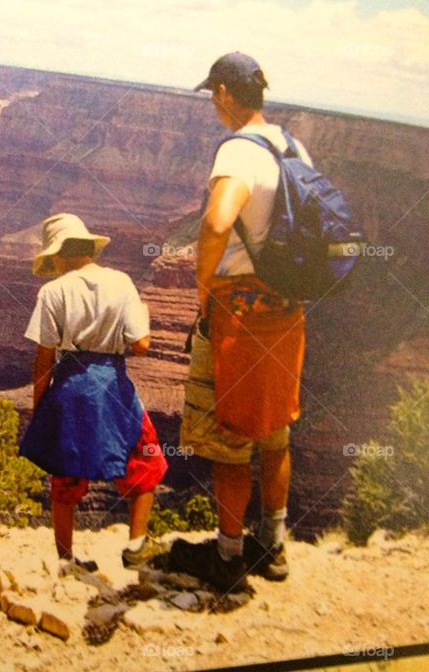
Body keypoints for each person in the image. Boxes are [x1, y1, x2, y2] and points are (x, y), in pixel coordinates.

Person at [171, 52, 310, 592]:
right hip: (285, 309)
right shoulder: (292, 145)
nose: (211, 102)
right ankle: (272, 549)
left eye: (213, 93)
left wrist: (205, 285)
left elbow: (217, 220)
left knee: (232, 438)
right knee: (275, 435)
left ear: (227, 93)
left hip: (238, 317)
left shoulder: (237, 149)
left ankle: (228, 557)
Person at [19, 212, 168, 576]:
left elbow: (44, 358)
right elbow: (142, 345)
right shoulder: (122, 282)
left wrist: (41, 409)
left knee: (64, 470)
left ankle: (66, 560)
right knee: (145, 454)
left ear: (59, 255)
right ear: (88, 247)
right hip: (112, 384)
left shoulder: (52, 292)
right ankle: (136, 544)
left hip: (69, 386)